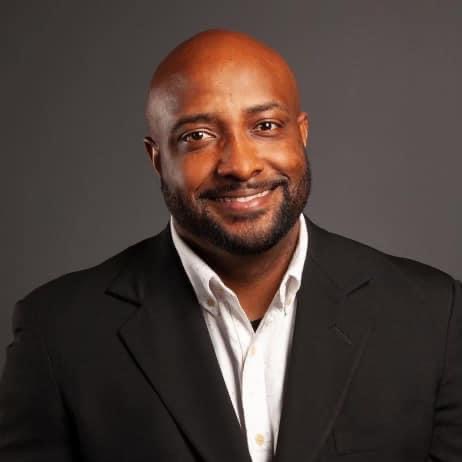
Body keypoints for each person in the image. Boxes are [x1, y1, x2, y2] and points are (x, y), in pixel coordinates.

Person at [0, 29, 461, 462]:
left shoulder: (433, 315)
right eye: (197, 136)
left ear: (301, 134)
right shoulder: (58, 333)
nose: (240, 165)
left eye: (266, 125)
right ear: (157, 157)